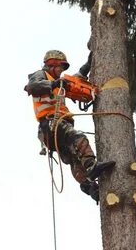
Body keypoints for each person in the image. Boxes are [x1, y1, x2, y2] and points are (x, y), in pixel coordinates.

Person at [25, 50, 115, 203]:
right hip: (51, 124)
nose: (61, 71)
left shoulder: (59, 82)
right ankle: (91, 166)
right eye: (60, 67)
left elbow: (75, 80)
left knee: (74, 158)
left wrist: (88, 65)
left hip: (54, 129)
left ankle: (89, 186)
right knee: (78, 137)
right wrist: (53, 83)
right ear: (51, 64)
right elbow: (32, 87)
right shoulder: (41, 76)